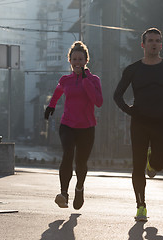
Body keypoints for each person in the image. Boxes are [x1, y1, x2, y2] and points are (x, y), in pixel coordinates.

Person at [113, 28, 163, 221]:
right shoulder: (133, 69)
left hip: (161, 122)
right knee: (138, 166)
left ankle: (154, 161)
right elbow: (117, 95)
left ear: (161, 45)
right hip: (140, 123)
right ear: (143, 45)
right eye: (150, 40)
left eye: (157, 41)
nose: (154, 44)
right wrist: (129, 110)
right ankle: (141, 206)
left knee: (159, 164)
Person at [44, 41, 103, 210]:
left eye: (80, 59)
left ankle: (79, 188)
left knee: (81, 162)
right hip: (67, 125)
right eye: (74, 59)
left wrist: (85, 81)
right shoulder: (65, 80)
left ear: (86, 61)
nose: (77, 62)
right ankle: (63, 194)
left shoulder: (93, 80)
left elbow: (98, 102)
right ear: (69, 60)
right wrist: (51, 106)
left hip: (87, 127)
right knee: (68, 154)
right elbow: (57, 92)